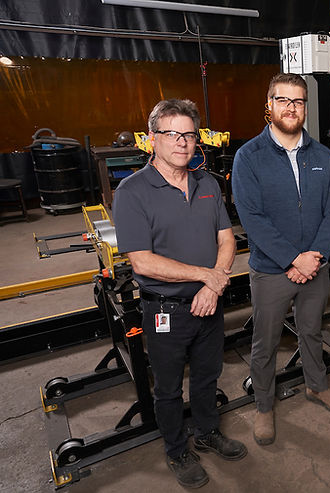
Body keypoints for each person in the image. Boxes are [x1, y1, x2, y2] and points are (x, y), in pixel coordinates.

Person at [113, 99, 246, 489]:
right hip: (166, 311)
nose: (182, 143)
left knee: (207, 376)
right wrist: (208, 276)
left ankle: (206, 432)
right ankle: (176, 449)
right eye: (172, 134)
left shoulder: (208, 183)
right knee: (168, 388)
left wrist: (212, 283)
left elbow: (226, 239)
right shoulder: (133, 191)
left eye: (189, 134)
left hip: (210, 302)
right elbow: (142, 263)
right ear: (153, 139)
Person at [232, 73, 330, 447]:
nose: (291, 108)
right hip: (271, 271)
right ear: (269, 106)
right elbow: (252, 218)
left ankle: (316, 385)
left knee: (312, 331)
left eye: (298, 101)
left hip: (316, 266)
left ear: (305, 107)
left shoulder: (322, 155)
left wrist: (314, 258)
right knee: (265, 342)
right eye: (283, 100)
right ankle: (264, 406)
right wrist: (292, 259)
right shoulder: (249, 157)